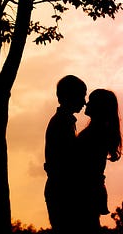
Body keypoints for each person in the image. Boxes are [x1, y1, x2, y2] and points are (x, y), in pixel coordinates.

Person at [75, 89, 123, 234]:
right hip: (92, 190)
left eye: (91, 101)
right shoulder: (99, 130)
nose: (87, 103)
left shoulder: (95, 133)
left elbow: (83, 165)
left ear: (99, 106)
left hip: (87, 190)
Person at [44, 75, 87, 234]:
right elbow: (67, 161)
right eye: (82, 96)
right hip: (62, 192)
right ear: (70, 96)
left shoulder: (63, 121)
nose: (84, 102)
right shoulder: (62, 123)